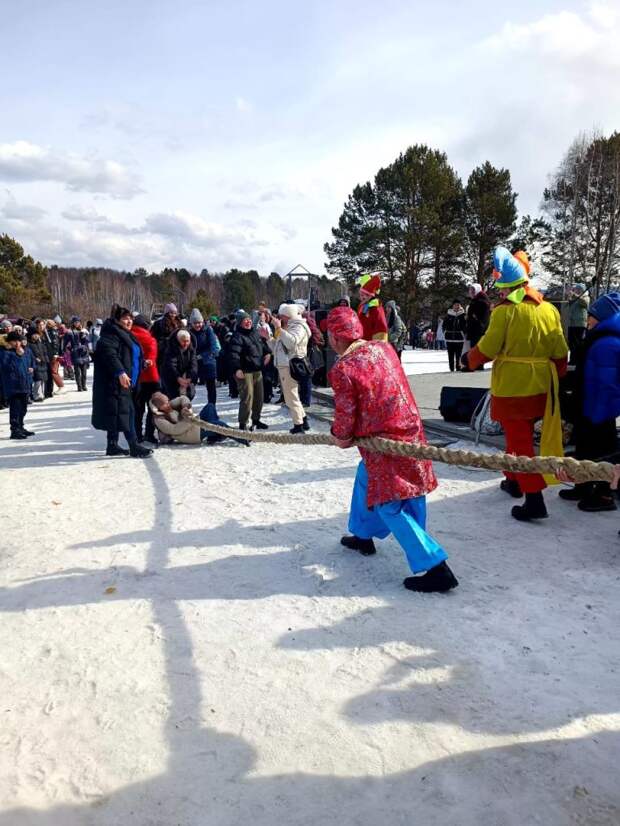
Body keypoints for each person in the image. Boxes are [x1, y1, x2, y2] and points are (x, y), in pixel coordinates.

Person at [327, 306, 458, 593]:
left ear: (336, 338)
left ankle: (436, 567)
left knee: (391, 503)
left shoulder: (343, 369)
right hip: (409, 430)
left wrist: (340, 436)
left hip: (385, 443)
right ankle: (363, 534)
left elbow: (346, 418)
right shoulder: (383, 348)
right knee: (367, 479)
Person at [461, 247, 568, 521]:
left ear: (506, 288)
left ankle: (534, 499)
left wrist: (469, 360)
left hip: (513, 387)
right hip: (542, 384)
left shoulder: (505, 312)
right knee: (518, 436)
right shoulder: (549, 309)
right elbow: (560, 350)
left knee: (519, 442)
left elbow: (489, 346)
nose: (498, 294)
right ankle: (513, 479)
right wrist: (556, 375)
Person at [558, 292, 620, 512]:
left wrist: (599, 409)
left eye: (592, 316)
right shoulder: (599, 339)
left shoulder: (607, 344)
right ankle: (583, 484)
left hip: (600, 408)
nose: (588, 319)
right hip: (591, 404)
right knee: (585, 448)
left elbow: (607, 383)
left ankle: (604, 495)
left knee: (602, 451)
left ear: (603, 317)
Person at [91, 305, 152, 458]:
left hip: (127, 381)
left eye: (131, 318)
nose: (129, 321)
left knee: (117, 412)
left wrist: (142, 363)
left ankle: (112, 445)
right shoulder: (111, 334)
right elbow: (110, 354)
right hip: (116, 382)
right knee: (127, 412)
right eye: (125, 318)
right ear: (117, 320)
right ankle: (133, 445)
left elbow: (129, 355)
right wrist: (120, 372)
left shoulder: (125, 334)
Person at [269, 303, 311, 434]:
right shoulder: (289, 327)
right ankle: (303, 421)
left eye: (282, 316)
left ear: (288, 315)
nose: (280, 318)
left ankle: (298, 425)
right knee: (291, 396)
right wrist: (268, 338)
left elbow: (292, 343)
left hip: (290, 366)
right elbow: (278, 348)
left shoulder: (299, 327)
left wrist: (279, 329)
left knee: (291, 396)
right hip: (285, 365)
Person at [230, 312, 271, 431]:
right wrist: (237, 369)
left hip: (257, 370)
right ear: (240, 322)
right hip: (244, 371)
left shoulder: (255, 333)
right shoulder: (237, 336)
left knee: (259, 397)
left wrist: (268, 352)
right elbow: (233, 355)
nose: (248, 322)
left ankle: (256, 419)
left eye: (249, 319)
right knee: (247, 397)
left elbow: (263, 346)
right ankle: (243, 423)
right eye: (245, 320)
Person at [130, 314, 160, 444]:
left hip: (135, 377)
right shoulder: (150, 339)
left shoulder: (128, 337)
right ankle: (149, 433)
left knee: (137, 408)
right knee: (152, 407)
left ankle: (137, 434)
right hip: (151, 377)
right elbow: (153, 356)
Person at [0, 330, 35, 439]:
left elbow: (27, 363)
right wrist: (18, 356)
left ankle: (20, 426)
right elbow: (7, 367)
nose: (18, 343)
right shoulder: (4, 352)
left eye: (18, 341)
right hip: (13, 384)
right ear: (10, 341)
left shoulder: (21, 350)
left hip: (23, 383)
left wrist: (30, 369)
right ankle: (14, 430)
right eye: (15, 341)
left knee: (23, 408)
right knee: (15, 408)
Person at [189, 308, 220, 406]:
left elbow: (213, 347)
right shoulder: (190, 333)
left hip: (208, 362)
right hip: (194, 362)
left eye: (199, 322)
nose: (198, 325)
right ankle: (186, 406)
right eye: (195, 323)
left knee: (210, 387)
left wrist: (202, 356)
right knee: (190, 386)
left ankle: (212, 406)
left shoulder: (208, 330)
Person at [161, 329, 198, 401]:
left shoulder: (191, 348)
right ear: (178, 340)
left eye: (187, 341)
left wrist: (190, 378)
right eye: (183, 341)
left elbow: (194, 365)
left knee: (190, 394)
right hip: (171, 377)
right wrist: (178, 378)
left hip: (186, 376)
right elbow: (171, 365)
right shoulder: (171, 349)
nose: (186, 343)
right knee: (174, 398)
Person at [355, 273, 388, 342]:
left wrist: (376, 347)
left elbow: (381, 328)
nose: (363, 297)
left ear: (371, 296)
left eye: (366, 295)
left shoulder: (376, 308)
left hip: (371, 345)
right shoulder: (361, 306)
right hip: (361, 342)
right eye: (361, 294)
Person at [63, 317, 90, 391]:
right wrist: (66, 349)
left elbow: (87, 341)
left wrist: (83, 334)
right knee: (77, 372)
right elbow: (65, 342)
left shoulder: (84, 331)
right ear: (73, 323)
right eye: (75, 322)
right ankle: (79, 386)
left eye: (78, 322)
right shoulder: (69, 332)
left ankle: (84, 385)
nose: (77, 323)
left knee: (84, 372)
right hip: (75, 353)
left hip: (83, 352)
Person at [151, 303, 182, 368]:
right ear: (167, 313)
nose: (173, 315)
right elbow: (154, 337)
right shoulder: (159, 323)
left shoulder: (179, 322)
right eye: (171, 313)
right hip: (164, 350)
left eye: (175, 313)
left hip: (178, 350)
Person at [567, 284, 589, 363]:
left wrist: (574, 295)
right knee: (571, 343)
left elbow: (585, 303)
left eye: (576, 289)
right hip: (571, 324)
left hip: (580, 324)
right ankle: (573, 359)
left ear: (581, 290)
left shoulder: (585, 297)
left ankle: (577, 360)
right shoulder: (574, 298)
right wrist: (569, 296)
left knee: (577, 343)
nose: (574, 290)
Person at [466, 283, 491, 351]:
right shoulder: (475, 300)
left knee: (476, 351)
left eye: (473, 291)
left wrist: (474, 319)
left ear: (477, 291)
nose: (471, 293)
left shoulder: (481, 302)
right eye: (470, 291)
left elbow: (483, 318)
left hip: (478, 332)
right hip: (474, 331)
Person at [443, 300, 466, 371]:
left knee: (459, 355)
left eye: (458, 305)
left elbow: (465, 326)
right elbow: (444, 325)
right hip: (449, 338)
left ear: (460, 306)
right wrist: (445, 332)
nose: (456, 306)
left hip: (460, 339)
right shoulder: (448, 315)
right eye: (455, 305)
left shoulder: (463, 315)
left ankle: (458, 368)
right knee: (450, 355)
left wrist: (464, 333)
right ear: (452, 306)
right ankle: (451, 369)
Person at [27, 328, 49, 402]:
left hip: (43, 363)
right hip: (36, 364)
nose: (36, 336)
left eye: (37, 334)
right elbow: (29, 354)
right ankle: (36, 395)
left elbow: (45, 352)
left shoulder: (41, 344)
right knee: (38, 380)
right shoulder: (29, 344)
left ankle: (41, 394)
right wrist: (35, 359)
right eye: (34, 334)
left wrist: (46, 359)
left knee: (43, 380)